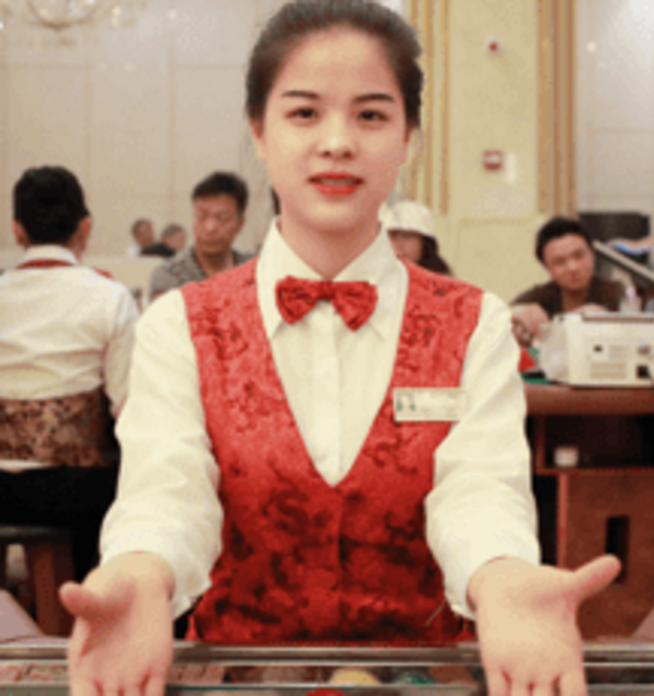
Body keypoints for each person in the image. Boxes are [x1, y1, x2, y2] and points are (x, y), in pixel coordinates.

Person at [61, 3, 620, 696]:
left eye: (371, 115)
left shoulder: (474, 321)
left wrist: (504, 577)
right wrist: (141, 572)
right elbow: (167, 487)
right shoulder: (180, 323)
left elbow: (479, 487)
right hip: (242, 681)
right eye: (304, 113)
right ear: (259, 131)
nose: (337, 142)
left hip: (419, 680)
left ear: (409, 137)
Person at [0, 166, 139, 581]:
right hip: (74, 493)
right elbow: (129, 406)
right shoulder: (110, 297)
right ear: (85, 228)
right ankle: (75, 599)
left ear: (17, 230)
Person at [511, 217, 626, 345]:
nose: (572, 268)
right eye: (560, 262)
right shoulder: (539, 298)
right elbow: (502, 315)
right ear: (546, 266)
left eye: (579, 255)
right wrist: (519, 314)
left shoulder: (618, 293)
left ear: (592, 253)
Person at [148, 172, 254, 300]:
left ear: (240, 224)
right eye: (201, 216)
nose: (210, 228)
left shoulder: (256, 271)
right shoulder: (169, 275)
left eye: (222, 218)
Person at [380, 199, 453, 275]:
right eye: (392, 236)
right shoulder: (376, 274)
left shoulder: (441, 278)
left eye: (406, 236)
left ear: (425, 243)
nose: (399, 245)